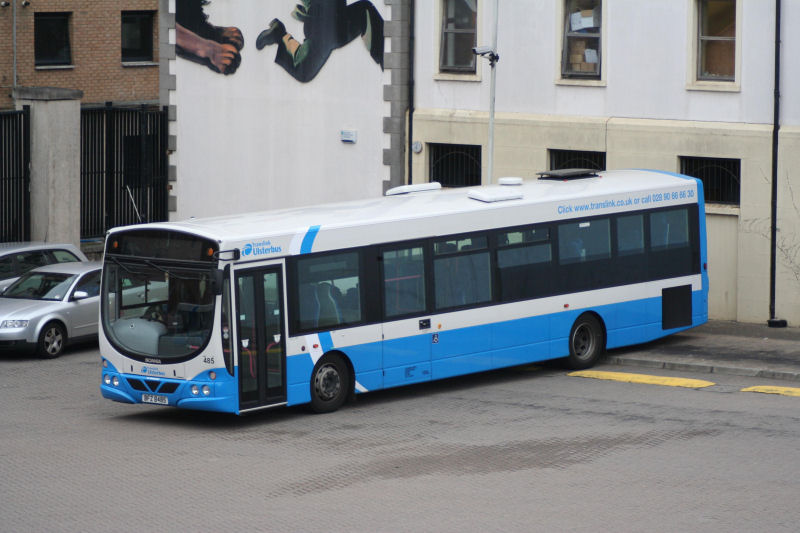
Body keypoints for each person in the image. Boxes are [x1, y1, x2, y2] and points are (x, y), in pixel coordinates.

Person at [255, 0, 384, 83]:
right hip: (326, 20)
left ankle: (280, 34)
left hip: (329, 20)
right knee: (364, 12)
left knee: (304, 70)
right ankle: (280, 34)